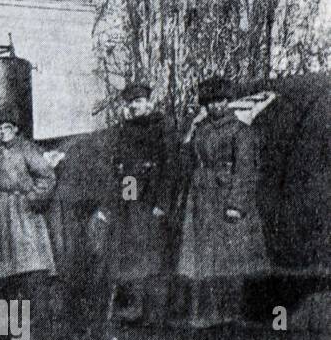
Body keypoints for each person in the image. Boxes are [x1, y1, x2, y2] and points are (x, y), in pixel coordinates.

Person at [176, 75, 265, 325]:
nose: (216, 106)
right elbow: (187, 160)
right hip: (202, 203)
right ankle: (206, 317)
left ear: (229, 101)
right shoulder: (200, 130)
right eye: (211, 102)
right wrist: (190, 129)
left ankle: (232, 317)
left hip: (226, 202)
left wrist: (236, 205)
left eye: (221, 100)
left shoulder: (241, 132)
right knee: (204, 263)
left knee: (230, 263)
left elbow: (246, 171)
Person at [90, 82, 177, 326]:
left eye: (139, 101)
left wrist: (162, 202)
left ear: (149, 103)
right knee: (132, 257)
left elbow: (170, 168)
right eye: (131, 103)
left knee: (155, 258)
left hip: (153, 201)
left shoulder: (162, 128)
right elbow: (121, 171)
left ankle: (157, 314)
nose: (135, 107)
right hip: (132, 202)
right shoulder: (125, 131)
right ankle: (136, 309)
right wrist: (120, 205)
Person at [0, 106, 57, 340]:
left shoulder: (28, 149)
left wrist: (30, 200)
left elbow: (47, 176)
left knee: (31, 280)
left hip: (23, 218)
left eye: (6, 128)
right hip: (0, 221)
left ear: (15, 129)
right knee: (4, 282)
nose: (2, 133)